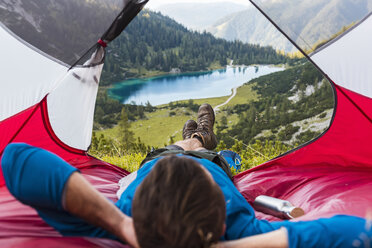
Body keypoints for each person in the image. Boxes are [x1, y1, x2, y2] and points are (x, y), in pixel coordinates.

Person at [1, 104, 371, 248]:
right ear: (218, 209)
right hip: (209, 162)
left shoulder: (133, 217)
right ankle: (200, 135)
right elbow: (352, 234)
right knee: (197, 149)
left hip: (159, 164)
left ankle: (192, 136)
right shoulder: (240, 227)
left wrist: (120, 224)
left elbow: (17, 159)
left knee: (176, 150)